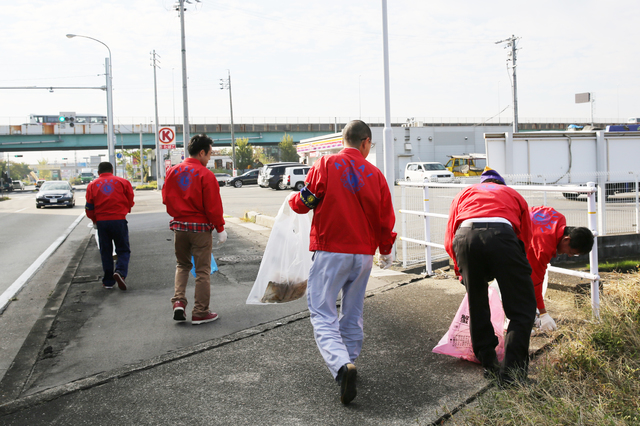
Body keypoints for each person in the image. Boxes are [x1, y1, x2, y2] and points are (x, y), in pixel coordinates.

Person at [288, 120, 397, 405]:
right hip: (362, 256)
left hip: (331, 251)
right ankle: (349, 361)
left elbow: (305, 202)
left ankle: (340, 366)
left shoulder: (324, 164)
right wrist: (385, 251)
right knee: (353, 311)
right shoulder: (375, 174)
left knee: (322, 311)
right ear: (365, 142)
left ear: (344, 139)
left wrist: (291, 201)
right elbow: (386, 219)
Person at [444, 167, 536, 386]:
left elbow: (450, 235)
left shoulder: (465, 193)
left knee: (477, 303)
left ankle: (489, 362)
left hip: (466, 238)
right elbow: (527, 237)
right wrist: (518, 270)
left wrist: (460, 270)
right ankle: (513, 375)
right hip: (502, 236)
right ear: (500, 185)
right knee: (522, 310)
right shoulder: (513, 194)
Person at [163, 134, 227, 325]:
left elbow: (166, 199)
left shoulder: (172, 172)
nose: (209, 159)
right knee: (202, 271)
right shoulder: (206, 175)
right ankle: (200, 312)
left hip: (179, 228)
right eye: (208, 155)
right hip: (200, 229)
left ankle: (179, 302)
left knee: (182, 265)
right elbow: (213, 206)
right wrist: (220, 228)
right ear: (201, 152)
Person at [528, 206, 594, 331]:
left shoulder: (556, 216)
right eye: (571, 252)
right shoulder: (543, 248)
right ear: (566, 239)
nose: (569, 255)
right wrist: (543, 313)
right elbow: (534, 283)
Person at [85, 162, 135, 290]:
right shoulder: (123, 182)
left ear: (98, 172)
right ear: (112, 170)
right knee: (123, 249)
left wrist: (94, 219)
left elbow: (89, 207)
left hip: (102, 222)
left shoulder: (92, 185)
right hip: (119, 220)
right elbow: (130, 200)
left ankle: (108, 282)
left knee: (105, 251)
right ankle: (120, 273)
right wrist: (125, 210)